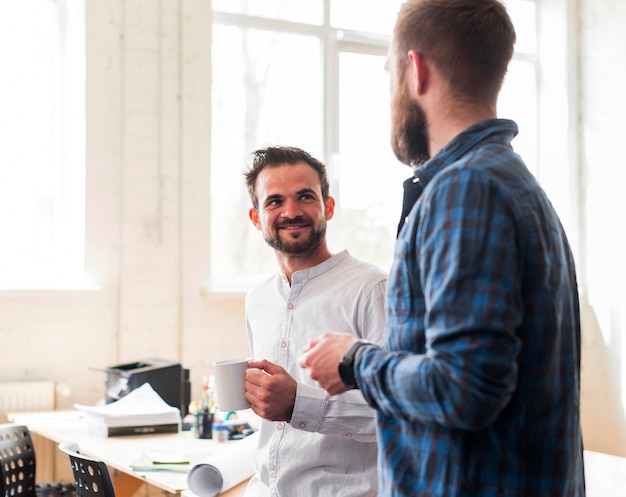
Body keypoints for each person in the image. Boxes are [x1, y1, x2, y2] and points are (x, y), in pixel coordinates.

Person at [299, 1, 585, 496]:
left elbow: (464, 389)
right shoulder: (510, 184)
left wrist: (353, 361)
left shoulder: (467, 189)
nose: (390, 92)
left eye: (391, 72)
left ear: (416, 70)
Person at [241, 145, 387, 497]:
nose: (291, 211)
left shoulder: (373, 289)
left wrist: (298, 404)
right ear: (257, 218)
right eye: (274, 201)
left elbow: (395, 413)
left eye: (305, 197)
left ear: (329, 207)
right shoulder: (257, 300)